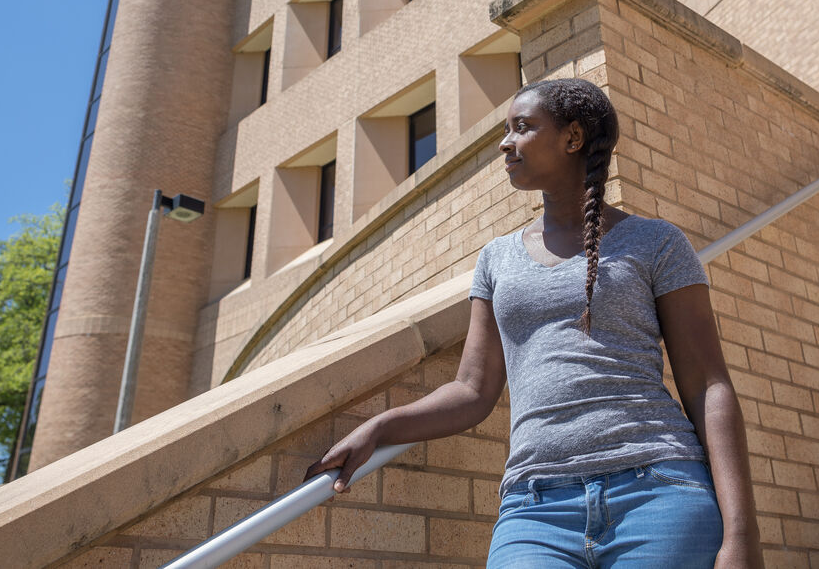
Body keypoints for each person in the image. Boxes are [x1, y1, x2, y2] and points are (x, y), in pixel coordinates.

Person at [306, 79, 763, 567]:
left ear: (572, 138)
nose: (506, 142)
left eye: (522, 128)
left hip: (657, 489)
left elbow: (707, 386)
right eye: (506, 130)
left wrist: (741, 535)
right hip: (534, 508)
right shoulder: (496, 259)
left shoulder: (657, 244)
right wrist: (380, 426)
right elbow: (471, 391)